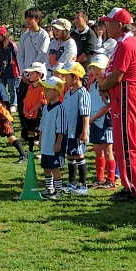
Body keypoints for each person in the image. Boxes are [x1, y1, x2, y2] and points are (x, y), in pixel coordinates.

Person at [97, 8, 136, 202]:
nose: (105, 26)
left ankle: (135, 188)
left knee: (127, 144)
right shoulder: (123, 42)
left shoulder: (126, 44)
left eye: (108, 23)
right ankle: (130, 185)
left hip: (127, 93)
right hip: (122, 95)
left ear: (119, 25)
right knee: (121, 143)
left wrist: (102, 87)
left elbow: (117, 76)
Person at [56, 62, 90, 194]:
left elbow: (85, 113)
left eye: (67, 76)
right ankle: (72, 182)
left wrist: (84, 131)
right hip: (68, 130)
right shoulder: (68, 93)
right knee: (70, 155)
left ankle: (83, 184)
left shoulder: (82, 93)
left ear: (75, 77)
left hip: (77, 130)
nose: (65, 79)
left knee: (79, 154)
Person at [17, 8, 50, 138]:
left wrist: (32, 73)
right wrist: (24, 73)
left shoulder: (43, 35)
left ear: (37, 19)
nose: (28, 21)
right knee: (22, 103)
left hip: (38, 76)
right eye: (27, 18)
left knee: (37, 105)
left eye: (30, 18)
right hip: (26, 75)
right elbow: (20, 55)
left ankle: (37, 131)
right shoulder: (24, 36)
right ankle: (26, 130)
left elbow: (42, 55)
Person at [0, 63, 27, 164]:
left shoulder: (1, 86)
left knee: (11, 137)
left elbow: (6, 101)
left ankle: (23, 155)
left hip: (2, 115)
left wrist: (7, 115)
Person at [87, 54, 116, 190]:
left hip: (105, 121)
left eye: (99, 68)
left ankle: (111, 180)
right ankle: (100, 178)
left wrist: (93, 118)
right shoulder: (92, 85)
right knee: (98, 150)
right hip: (94, 121)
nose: (96, 71)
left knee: (108, 150)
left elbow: (108, 105)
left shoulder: (108, 85)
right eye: (93, 68)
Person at [37, 77, 67, 199]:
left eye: (48, 90)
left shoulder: (60, 108)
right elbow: (42, 125)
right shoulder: (45, 107)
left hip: (54, 143)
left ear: (56, 92)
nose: (45, 93)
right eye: (45, 90)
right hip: (45, 142)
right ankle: (49, 188)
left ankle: (59, 190)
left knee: (55, 167)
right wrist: (40, 140)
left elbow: (61, 128)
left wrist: (58, 142)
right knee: (46, 166)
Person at [22, 62, 47, 154]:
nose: (30, 75)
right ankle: (31, 150)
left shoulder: (43, 86)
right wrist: (25, 110)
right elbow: (26, 100)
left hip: (38, 113)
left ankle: (42, 151)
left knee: (40, 132)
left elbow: (41, 101)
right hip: (29, 113)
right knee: (30, 131)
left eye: (32, 73)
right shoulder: (30, 86)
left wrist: (32, 110)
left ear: (39, 74)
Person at [0, 26, 19, 111]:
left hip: (11, 70)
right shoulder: (0, 45)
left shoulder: (12, 44)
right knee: (1, 87)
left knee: (12, 89)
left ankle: (13, 104)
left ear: (3, 35)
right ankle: (2, 103)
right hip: (2, 70)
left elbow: (17, 57)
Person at [71, 10, 97, 81]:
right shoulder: (73, 34)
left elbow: (87, 52)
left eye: (78, 18)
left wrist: (75, 62)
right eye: (75, 18)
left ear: (85, 20)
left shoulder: (90, 34)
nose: (76, 20)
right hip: (74, 68)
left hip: (85, 68)